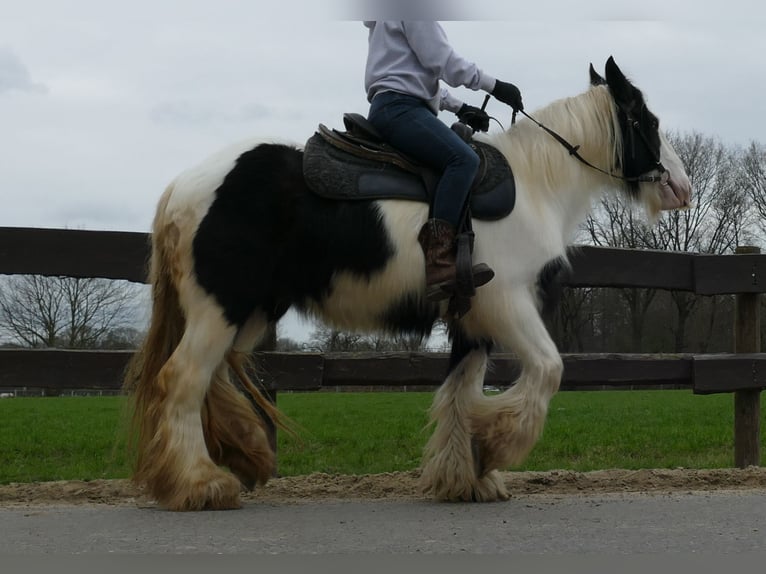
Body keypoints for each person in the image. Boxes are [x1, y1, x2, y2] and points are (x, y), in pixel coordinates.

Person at [364, 21, 523, 302]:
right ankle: (439, 262)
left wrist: (461, 107)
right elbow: (444, 62)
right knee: (463, 160)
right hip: (402, 108)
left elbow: (413, 72)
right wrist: (495, 86)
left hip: (393, 106)